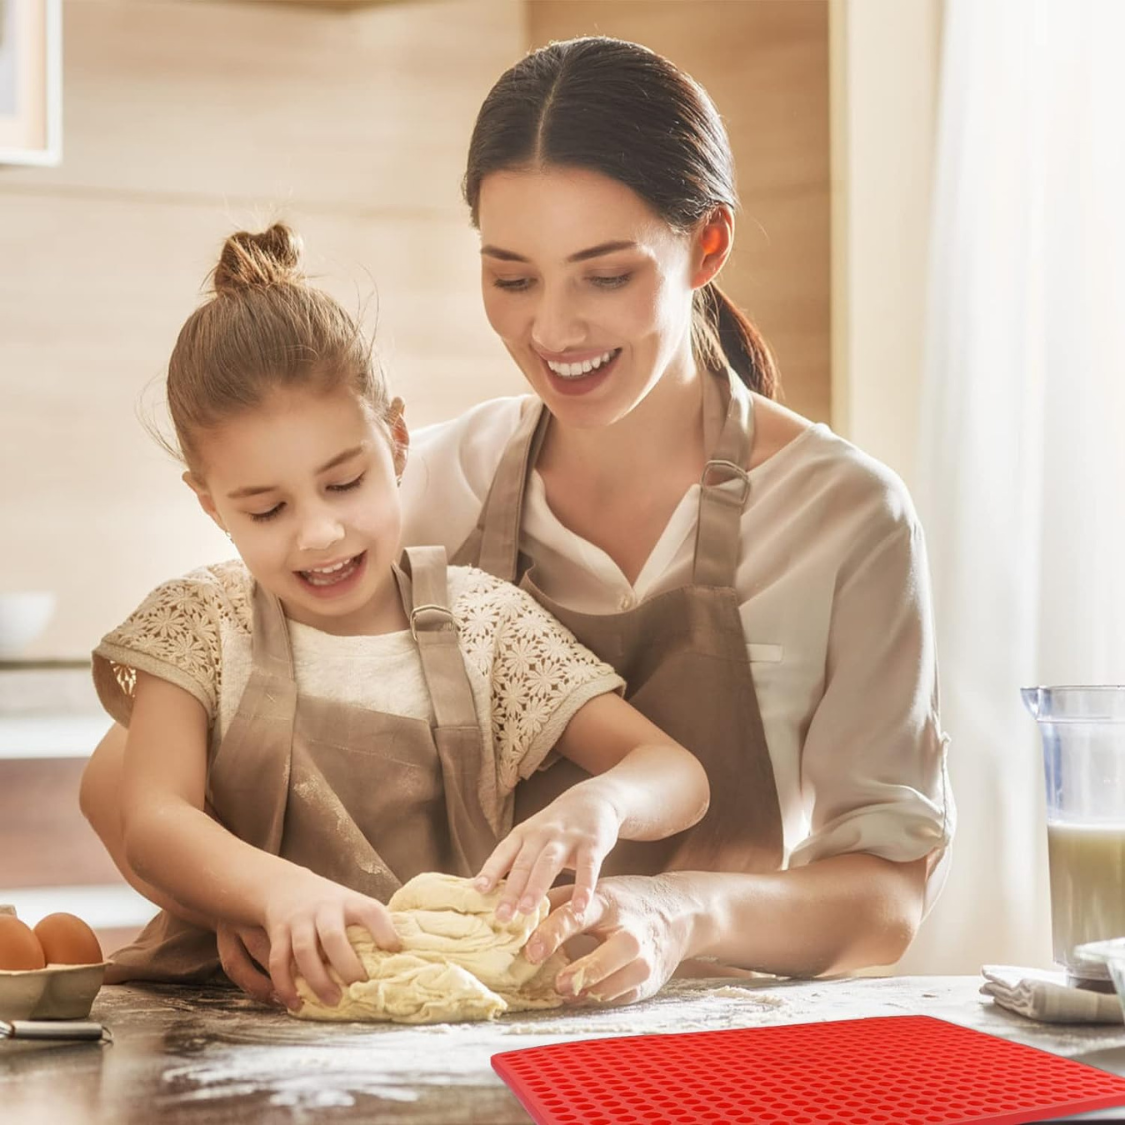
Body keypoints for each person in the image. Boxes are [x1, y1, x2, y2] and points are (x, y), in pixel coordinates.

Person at [85, 35, 954, 1009]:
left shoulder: (843, 518)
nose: (552, 330)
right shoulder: (432, 484)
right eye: (512, 277)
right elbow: (134, 784)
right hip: (453, 1043)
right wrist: (241, 900)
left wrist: (678, 914)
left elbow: (885, 900)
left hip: (708, 1046)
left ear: (706, 243)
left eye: (606, 275)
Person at [82, 222, 710, 1012]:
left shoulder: (487, 623)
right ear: (210, 504)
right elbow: (153, 818)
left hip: (452, 1013)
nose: (318, 532)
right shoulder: (201, 624)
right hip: (223, 1010)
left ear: (398, 441)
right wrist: (267, 896)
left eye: (344, 483)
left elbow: (675, 771)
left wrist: (601, 803)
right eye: (267, 507)